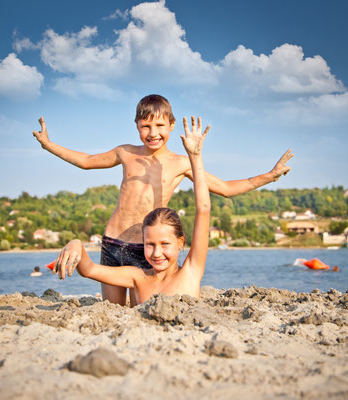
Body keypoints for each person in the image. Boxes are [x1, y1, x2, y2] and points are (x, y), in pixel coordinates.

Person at [33, 94, 293, 305]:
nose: (152, 132)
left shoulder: (181, 162)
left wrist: (269, 176)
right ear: (136, 125)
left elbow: (225, 188)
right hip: (113, 242)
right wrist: (49, 145)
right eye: (145, 126)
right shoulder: (125, 153)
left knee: (142, 311)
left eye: (159, 126)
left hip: (147, 248)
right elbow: (87, 161)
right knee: (111, 311)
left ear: (171, 125)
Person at [53, 115, 210, 305]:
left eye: (165, 244)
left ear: (180, 242)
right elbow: (89, 270)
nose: (157, 253)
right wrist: (77, 244)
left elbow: (203, 208)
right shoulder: (138, 277)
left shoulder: (191, 271)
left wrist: (195, 157)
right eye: (150, 244)